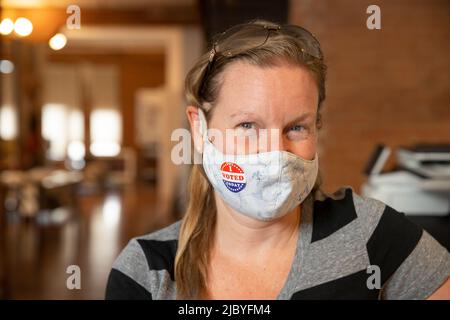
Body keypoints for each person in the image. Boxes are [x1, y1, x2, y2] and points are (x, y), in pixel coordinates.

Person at [105, 19, 450, 300]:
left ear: (316, 127)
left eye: (296, 127)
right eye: (248, 125)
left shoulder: (371, 233)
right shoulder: (146, 271)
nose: (274, 154)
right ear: (199, 128)